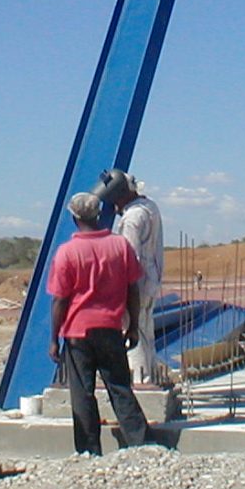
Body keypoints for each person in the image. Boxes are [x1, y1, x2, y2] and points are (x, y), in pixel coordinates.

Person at [47, 192, 150, 456]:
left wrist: (54, 338)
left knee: (82, 393)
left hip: (77, 332)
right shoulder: (119, 246)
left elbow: (60, 300)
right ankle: (140, 444)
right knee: (119, 387)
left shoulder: (67, 252)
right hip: (111, 327)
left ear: (74, 217)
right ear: (97, 214)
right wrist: (134, 325)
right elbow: (133, 289)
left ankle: (88, 450)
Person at [97, 169, 164, 384]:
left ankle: (140, 381)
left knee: (133, 332)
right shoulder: (149, 207)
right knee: (146, 331)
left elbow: (128, 258)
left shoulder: (132, 220)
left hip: (138, 282)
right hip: (152, 277)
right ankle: (150, 377)